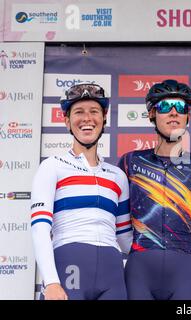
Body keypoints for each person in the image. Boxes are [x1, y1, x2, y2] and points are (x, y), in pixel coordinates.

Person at [118, 79, 191, 300]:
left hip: (183, 269)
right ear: (151, 114)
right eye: (165, 106)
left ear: (188, 116)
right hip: (140, 268)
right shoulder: (130, 162)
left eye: (181, 107)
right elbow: (113, 218)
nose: (174, 113)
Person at [31, 83, 132, 300]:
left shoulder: (117, 176)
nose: (87, 118)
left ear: (104, 118)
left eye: (94, 111)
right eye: (78, 112)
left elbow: (125, 240)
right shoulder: (52, 166)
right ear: (67, 121)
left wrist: (168, 246)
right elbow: (40, 228)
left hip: (112, 272)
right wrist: (51, 282)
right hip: (68, 263)